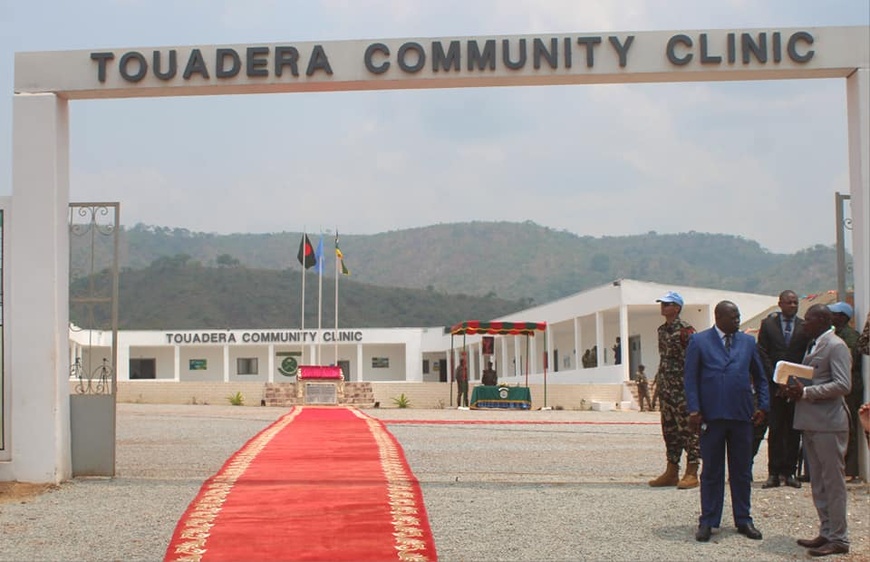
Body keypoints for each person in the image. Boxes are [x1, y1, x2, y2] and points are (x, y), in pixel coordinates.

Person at [685, 300, 769, 543]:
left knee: (742, 471)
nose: (738, 320)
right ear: (719, 317)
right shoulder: (699, 342)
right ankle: (708, 520)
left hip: (741, 416)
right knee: (711, 471)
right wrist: (694, 409)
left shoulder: (748, 342)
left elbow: (761, 378)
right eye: (733, 317)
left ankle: (743, 519)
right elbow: (690, 379)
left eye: (738, 316)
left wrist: (762, 405)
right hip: (711, 417)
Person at [784, 304, 852, 557]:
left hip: (829, 424)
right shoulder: (815, 345)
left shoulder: (836, 346)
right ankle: (826, 531)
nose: (804, 324)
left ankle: (839, 538)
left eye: (809, 320)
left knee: (833, 483)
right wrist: (794, 389)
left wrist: (807, 392)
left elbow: (843, 384)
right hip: (811, 422)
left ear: (823, 320)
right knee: (819, 483)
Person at [756, 289, 808, 489]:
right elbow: (762, 352)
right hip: (775, 386)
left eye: (795, 302)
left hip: (795, 387)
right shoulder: (768, 325)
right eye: (789, 302)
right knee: (776, 429)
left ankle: (790, 472)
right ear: (780, 303)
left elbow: (806, 355)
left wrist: (793, 381)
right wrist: (777, 378)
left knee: (793, 430)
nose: (793, 306)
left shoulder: (804, 326)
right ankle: (773, 473)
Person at [648, 291, 700, 489]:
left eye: (668, 304)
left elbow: (693, 361)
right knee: (669, 430)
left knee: (688, 430)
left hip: (682, 389)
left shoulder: (687, 331)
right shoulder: (662, 330)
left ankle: (692, 471)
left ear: (677, 307)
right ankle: (671, 470)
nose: (664, 307)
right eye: (662, 303)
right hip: (667, 387)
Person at [828, 302, 863, 482]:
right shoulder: (835, 335)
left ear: (842, 317)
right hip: (841, 386)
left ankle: (850, 470)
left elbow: (848, 363)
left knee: (849, 428)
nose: (830, 316)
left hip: (850, 388)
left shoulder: (850, 337)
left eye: (833, 314)